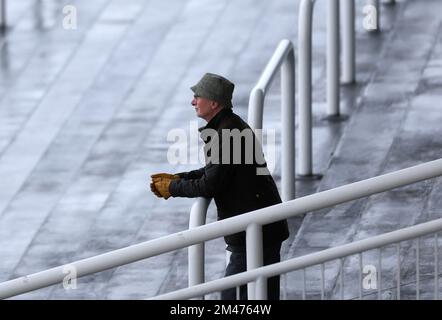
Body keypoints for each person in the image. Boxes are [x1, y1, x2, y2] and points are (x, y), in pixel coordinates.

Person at [150, 72, 289, 300]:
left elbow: (211, 184)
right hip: (261, 227)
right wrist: (177, 179)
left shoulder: (228, 133)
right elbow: (215, 171)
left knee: (232, 298)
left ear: (213, 103)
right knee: (262, 295)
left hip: (256, 231)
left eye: (197, 96)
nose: (193, 102)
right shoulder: (227, 127)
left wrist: (173, 188)